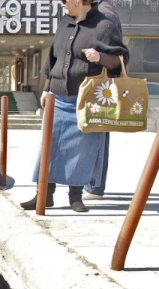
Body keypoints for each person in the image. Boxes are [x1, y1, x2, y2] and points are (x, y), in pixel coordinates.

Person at [20, 0, 128, 212]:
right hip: (58, 98)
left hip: (87, 100)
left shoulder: (104, 24)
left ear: (78, 1)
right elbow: (54, 59)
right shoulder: (65, 22)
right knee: (49, 148)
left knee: (82, 151)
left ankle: (75, 197)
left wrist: (100, 57)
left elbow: (119, 59)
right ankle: (44, 194)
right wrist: (46, 88)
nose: (62, 5)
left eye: (65, 1)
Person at [84, 0, 123, 200]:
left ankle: (95, 185)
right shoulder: (93, 10)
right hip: (92, 85)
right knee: (92, 132)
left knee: (98, 133)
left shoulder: (104, 12)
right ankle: (91, 183)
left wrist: (98, 56)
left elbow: (117, 54)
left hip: (100, 86)